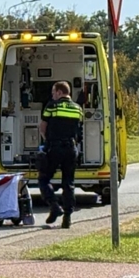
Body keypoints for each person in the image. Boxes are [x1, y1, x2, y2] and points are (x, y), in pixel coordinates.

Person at [38, 80, 83, 229]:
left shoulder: (52, 106)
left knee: (44, 179)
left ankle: (54, 205)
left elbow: (42, 127)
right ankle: (67, 218)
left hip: (55, 147)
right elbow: (78, 130)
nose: (52, 95)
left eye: (53, 92)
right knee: (68, 183)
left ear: (59, 92)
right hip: (71, 148)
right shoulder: (78, 109)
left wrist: (47, 142)